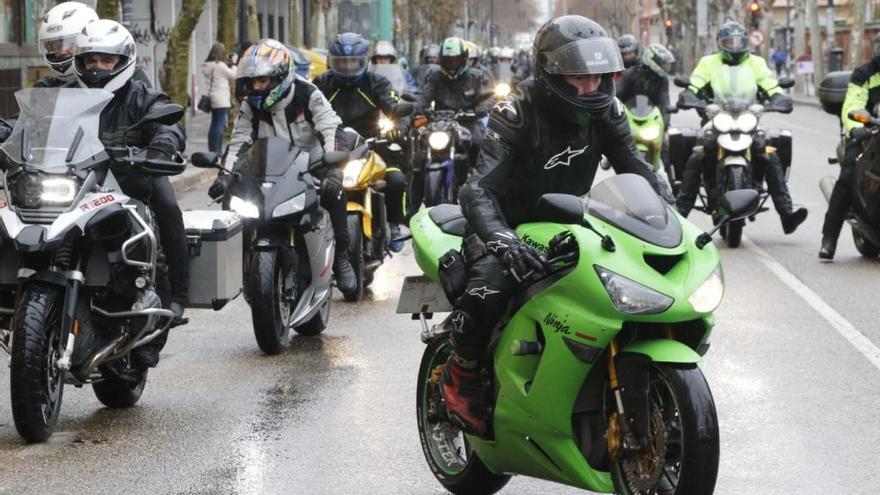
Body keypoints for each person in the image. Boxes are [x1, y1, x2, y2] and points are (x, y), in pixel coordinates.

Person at [439, 16, 670, 436]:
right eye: (578, 78)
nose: (591, 88)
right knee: (489, 287)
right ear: (549, 74)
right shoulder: (515, 111)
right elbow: (476, 192)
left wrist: (670, 217)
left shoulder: (608, 111)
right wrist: (502, 240)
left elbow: (636, 171)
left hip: (565, 217)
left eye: (599, 77)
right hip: (502, 223)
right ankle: (462, 372)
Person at [73, 19, 188, 369]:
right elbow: (29, 122)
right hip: (78, 189)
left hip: (128, 183)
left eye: (105, 60)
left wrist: (162, 146)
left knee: (165, 210)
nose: (97, 67)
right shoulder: (66, 93)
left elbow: (166, 123)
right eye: (91, 60)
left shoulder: (141, 96)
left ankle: (174, 299)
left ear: (123, 61)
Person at [208, 38, 357, 296]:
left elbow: (330, 127)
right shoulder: (250, 105)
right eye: (252, 81)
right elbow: (240, 142)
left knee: (335, 194)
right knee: (235, 202)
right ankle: (244, 264)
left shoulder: (308, 94)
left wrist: (334, 168)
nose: (256, 87)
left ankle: (342, 258)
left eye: (262, 81)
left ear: (280, 76)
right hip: (267, 167)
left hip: (311, 164)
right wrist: (225, 175)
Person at [675, 21, 807, 234]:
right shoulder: (709, 62)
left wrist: (779, 99)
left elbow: (771, 85)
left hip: (748, 117)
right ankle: (679, 216)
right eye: (729, 41)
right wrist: (689, 97)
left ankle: (787, 215)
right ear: (720, 42)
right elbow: (694, 85)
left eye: (739, 41)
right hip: (717, 118)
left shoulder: (756, 63)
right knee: (697, 155)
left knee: (769, 154)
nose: (734, 46)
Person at [313, 32, 410, 252]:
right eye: (342, 62)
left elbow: (394, 103)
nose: (347, 67)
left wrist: (400, 127)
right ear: (332, 61)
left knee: (396, 179)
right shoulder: (322, 83)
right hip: (332, 149)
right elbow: (305, 110)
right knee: (308, 185)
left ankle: (394, 224)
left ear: (364, 60)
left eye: (352, 62)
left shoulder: (377, 82)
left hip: (371, 145)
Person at [414, 37, 492, 213]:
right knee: (418, 155)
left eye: (455, 59)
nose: (451, 64)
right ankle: (411, 207)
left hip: (468, 121)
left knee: (478, 142)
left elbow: (489, 97)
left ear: (463, 59)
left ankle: (479, 184)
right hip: (440, 122)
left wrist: (480, 108)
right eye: (447, 60)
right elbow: (424, 96)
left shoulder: (476, 76)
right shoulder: (435, 77)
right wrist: (417, 109)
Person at [820, 33, 880, 259]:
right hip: (868, 134)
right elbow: (853, 103)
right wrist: (856, 126)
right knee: (848, 176)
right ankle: (829, 238)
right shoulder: (864, 73)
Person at [616, 43, 675, 127]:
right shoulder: (630, 74)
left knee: (665, 139)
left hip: (652, 120)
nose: (666, 67)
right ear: (651, 60)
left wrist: (665, 123)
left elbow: (664, 101)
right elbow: (617, 94)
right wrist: (617, 116)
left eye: (666, 64)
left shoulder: (663, 80)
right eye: (663, 63)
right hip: (627, 119)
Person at [201, 43, 237, 154]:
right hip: (221, 98)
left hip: (212, 97)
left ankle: (212, 149)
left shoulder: (207, 65)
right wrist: (234, 63)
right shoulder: (220, 66)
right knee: (220, 125)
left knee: (214, 124)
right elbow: (233, 75)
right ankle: (217, 151)